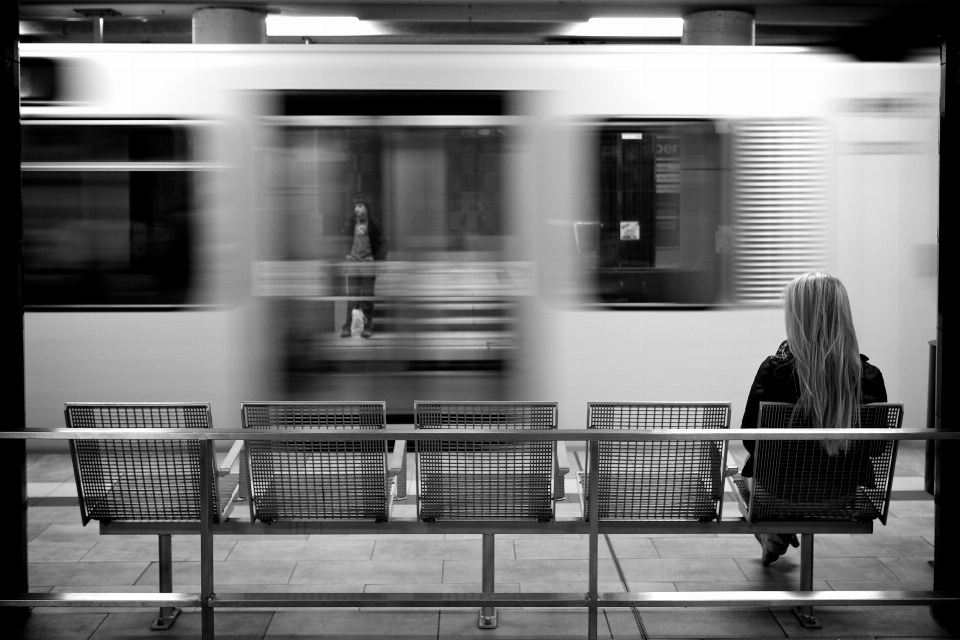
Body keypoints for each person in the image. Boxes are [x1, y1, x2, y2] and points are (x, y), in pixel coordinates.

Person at [740, 272, 887, 565]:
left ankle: (776, 531)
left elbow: (750, 440)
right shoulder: (868, 376)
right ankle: (778, 532)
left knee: (744, 471)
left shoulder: (776, 370)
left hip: (778, 491)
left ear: (798, 317)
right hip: (840, 494)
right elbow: (876, 447)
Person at [340, 195, 386, 339]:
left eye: (360, 206)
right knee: (352, 298)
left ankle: (367, 327)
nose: (357, 209)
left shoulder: (374, 224)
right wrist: (347, 255)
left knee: (367, 299)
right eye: (355, 206)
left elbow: (382, 244)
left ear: (367, 208)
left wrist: (378, 260)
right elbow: (346, 241)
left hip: (367, 264)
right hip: (354, 263)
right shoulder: (351, 223)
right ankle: (347, 327)